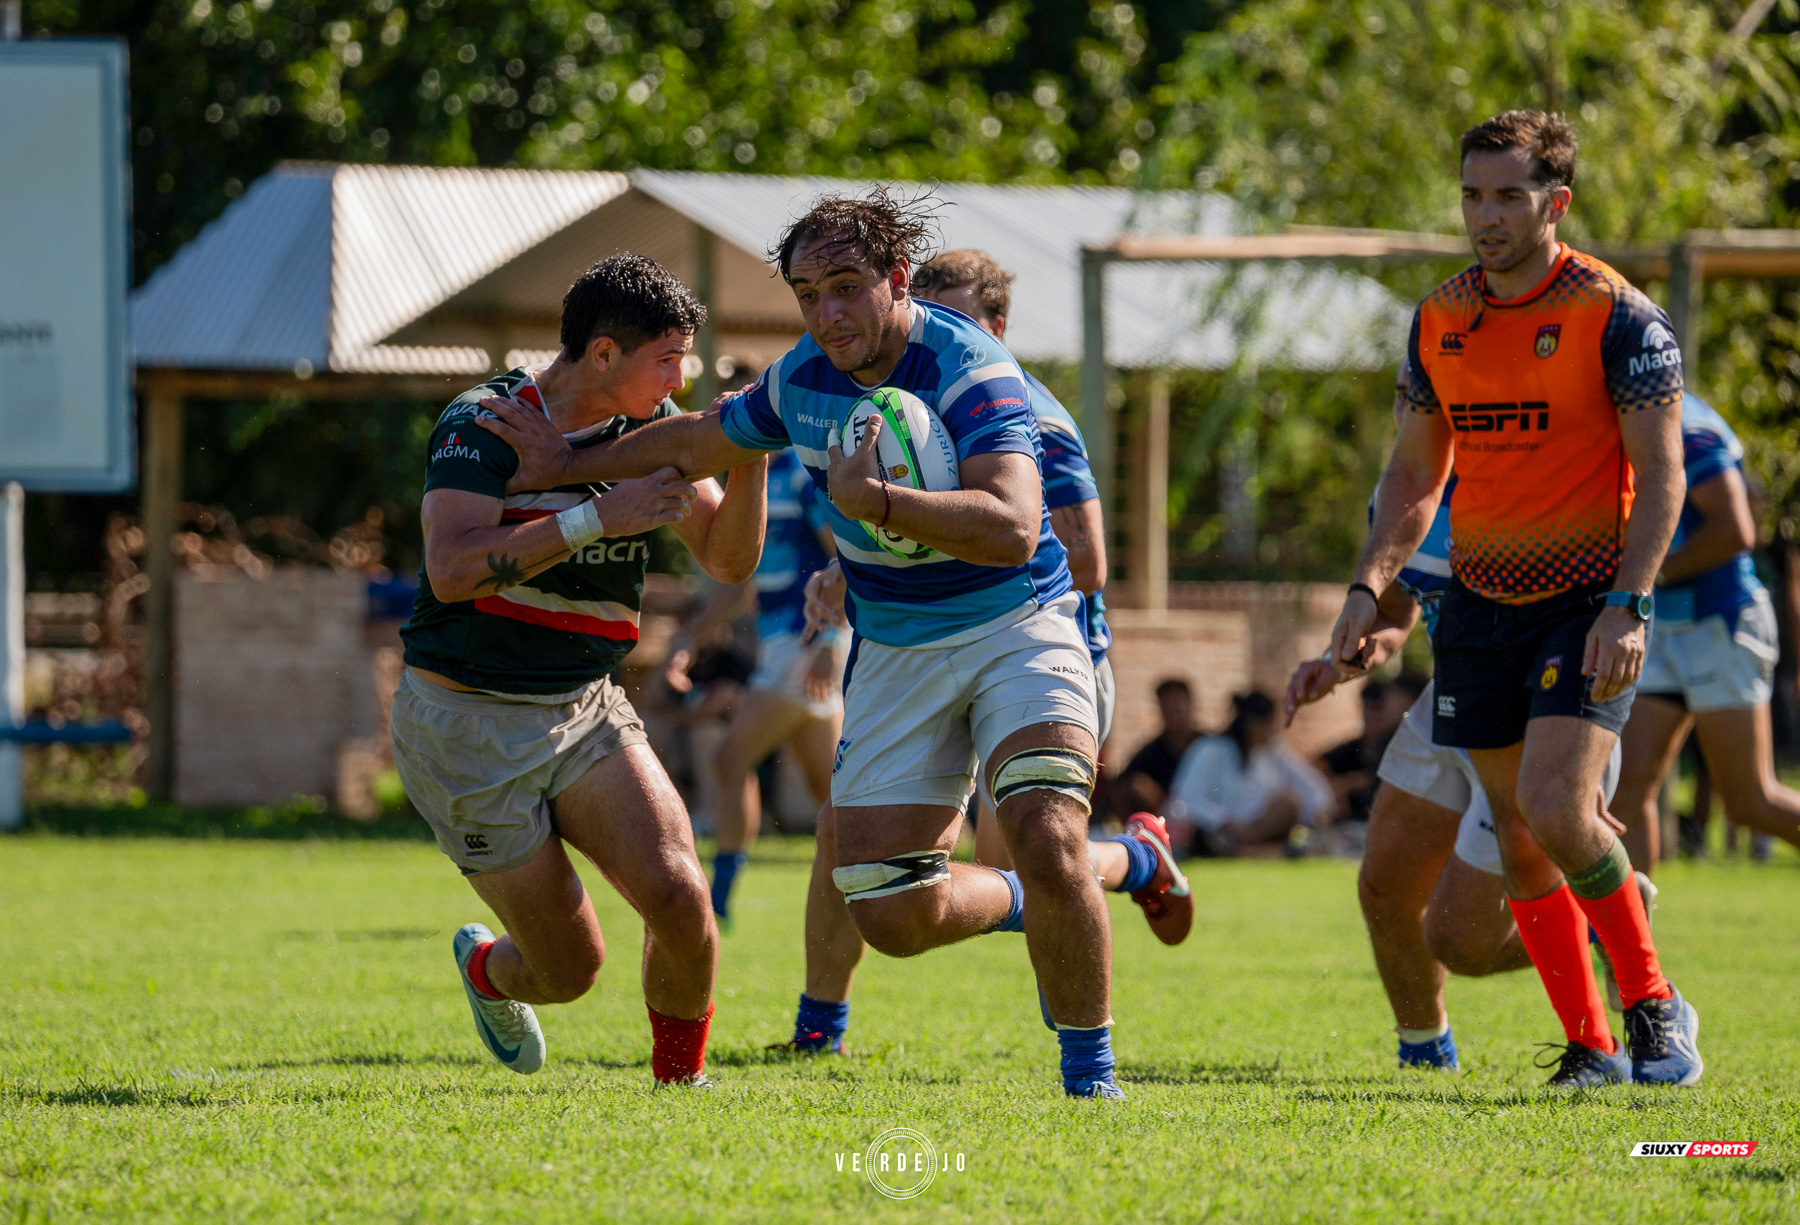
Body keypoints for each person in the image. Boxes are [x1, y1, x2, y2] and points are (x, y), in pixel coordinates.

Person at [476, 188, 1136, 1097]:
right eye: (807, 293)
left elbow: (1020, 525)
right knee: (889, 908)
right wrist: (565, 463)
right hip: (898, 652)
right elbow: (705, 437)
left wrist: (883, 505)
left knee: (1042, 824)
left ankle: (1090, 1077)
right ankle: (1029, 898)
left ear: (898, 281)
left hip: (1016, 627)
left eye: (847, 286)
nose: (827, 312)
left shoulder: (973, 368)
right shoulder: (803, 377)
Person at [1331, 109, 1700, 1088]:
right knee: (1525, 838)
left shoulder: (1617, 315)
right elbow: (1414, 478)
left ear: (1556, 203)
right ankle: (1592, 1045)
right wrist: (1369, 588)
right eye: (1472, 195)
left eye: (1508, 195)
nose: (1485, 216)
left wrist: (1633, 603)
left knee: (1556, 807)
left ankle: (1655, 1005)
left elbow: (1662, 477)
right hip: (1477, 608)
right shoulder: (1439, 318)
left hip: (1587, 600)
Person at [390, 254, 767, 1085]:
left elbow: (729, 561)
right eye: (667, 358)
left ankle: (681, 1087)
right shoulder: (483, 420)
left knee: (679, 896)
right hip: (465, 725)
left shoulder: (652, 428)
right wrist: (600, 516)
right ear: (603, 356)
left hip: (583, 706)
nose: (683, 377)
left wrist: (749, 456)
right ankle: (488, 969)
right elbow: (452, 568)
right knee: (570, 971)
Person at [1286, 384, 1637, 1069]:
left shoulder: (1526, 484)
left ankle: (1607, 925)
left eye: (1440, 397)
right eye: (1407, 396)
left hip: (1536, 713)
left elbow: (1580, 610)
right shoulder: (1399, 496)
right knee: (1384, 885)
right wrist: (1348, 658)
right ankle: (1424, 1049)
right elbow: (1399, 607)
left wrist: (1574, 765)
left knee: (1459, 939)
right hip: (1451, 698)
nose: (1415, 410)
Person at [911, 248, 1188, 939]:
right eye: (926, 321)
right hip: (965, 646)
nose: (940, 337)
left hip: (1056, 651)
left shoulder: (1032, 410)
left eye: (958, 320)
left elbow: (1090, 562)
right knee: (1004, 864)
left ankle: (1134, 861)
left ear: (996, 327)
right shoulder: (920, 412)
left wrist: (982, 543)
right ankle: (1138, 860)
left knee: (1035, 858)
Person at [1609, 393, 1800, 871]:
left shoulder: (1685, 427)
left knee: (1750, 801)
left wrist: (1645, 575)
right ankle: (1632, 944)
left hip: (1721, 622)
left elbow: (1736, 530)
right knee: (1628, 787)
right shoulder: (1617, 411)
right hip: (1661, 629)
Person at [688, 443, 848, 929]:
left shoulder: (801, 475)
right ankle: (870, 887)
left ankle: (717, 901)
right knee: (836, 795)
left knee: (729, 758)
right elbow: (742, 582)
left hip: (807, 640)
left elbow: (846, 555)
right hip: (781, 642)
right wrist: (690, 640)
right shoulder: (752, 481)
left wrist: (835, 638)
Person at [1163, 690, 1334, 857]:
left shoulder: (1273, 752)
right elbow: (1185, 798)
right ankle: (1258, 851)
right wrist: (1225, 821)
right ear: (1253, 724)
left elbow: (1311, 783)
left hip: (1261, 830)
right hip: (1220, 831)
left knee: (1288, 801)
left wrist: (1320, 812)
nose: (1273, 732)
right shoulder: (1211, 748)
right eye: (1269, 725)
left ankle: (1249, 850)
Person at [1319, 677, 1422, 827]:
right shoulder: (1360, 745)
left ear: (1409, 701)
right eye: (1367, 708)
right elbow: (1318, 764)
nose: (1372, 716)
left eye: (1379, 707)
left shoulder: (1406, 746)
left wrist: (1348, 784)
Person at [1115, 680, 1202, 816]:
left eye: (1179, 707)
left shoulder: (1211, 746)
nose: (1175, 713)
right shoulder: (1151, 753)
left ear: (1191, 704)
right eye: (1169, 707)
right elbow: (1122, 786)